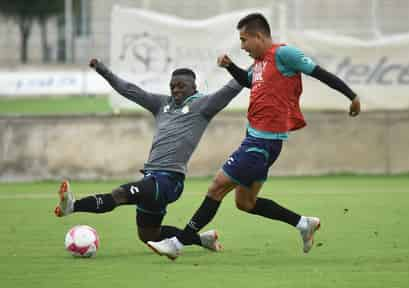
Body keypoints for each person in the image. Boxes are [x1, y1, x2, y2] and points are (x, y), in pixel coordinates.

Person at [147, 13, 361, 260]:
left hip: (263, 142)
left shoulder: (284, 54)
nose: (242, 47)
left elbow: (319, 72)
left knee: (217, 187)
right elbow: (249, 82)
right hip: (257, 139)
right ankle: (303, 223)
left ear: (258, 36)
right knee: (245, 203)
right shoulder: (259, 62)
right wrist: (230, 67)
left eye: (244, 40)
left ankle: (177, 243)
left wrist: (351, 95)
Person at [54, 58, 243, 259]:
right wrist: (102, 70)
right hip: (151, 178)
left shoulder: (203, 106)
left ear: (194, 86)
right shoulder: (162, 104)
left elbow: (231, 88)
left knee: (120, 194)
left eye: (181, 86)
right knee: (148, 235)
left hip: (169, 180)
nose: (176, 90)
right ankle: (203, 240)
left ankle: (73, 206)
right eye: (172, 86)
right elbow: (129, 90)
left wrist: (258, 62)